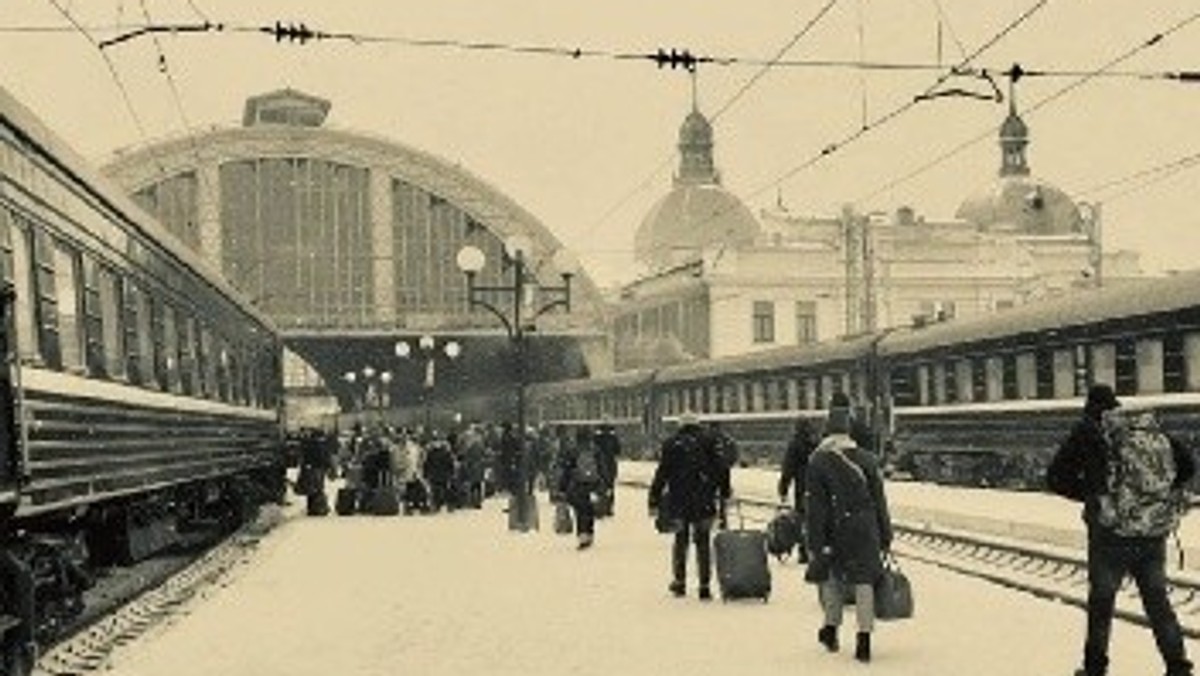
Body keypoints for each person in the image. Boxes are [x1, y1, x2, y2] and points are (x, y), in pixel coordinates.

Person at [1047, 385, 1195, 676]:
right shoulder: (1145, 429)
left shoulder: (1088, 431)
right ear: (1116, 406)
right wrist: (1154, 497)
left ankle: (1095, 669)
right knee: (1157, 601)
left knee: (1102, 603)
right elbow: (1187, 467)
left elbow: (1056, 478)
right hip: (1151, 533)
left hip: (1109, 535)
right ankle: (1178, 666)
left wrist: (1095, 497)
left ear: (1089, 408)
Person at [805, 399, 892, 663]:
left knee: (833, 579)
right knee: (864, 581)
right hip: (865, 528)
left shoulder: (818, 461)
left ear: (827, 432)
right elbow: (879, 500)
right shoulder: (867, 459)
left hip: (836, 528)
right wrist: (885, 534)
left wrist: (815, 541)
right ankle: (864, 640)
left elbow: (816, 506)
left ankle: (831, 630)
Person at [648, 412, 730, 601]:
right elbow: (722, 468)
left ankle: (679, 582)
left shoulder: (672, 444)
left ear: (681, 425)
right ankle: (704, 586)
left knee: (680, 540)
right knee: (703, 542)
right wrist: (724, 492)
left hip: (680, 501)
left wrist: (654, 497)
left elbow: (662, 473)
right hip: (704, 500)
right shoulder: (710, 442)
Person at [557, 426, 600, 549]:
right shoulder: (595, 450)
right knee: (589, 509)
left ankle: (582, 535)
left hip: (577, 484)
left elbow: (567, 470)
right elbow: (602, 468)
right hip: (593, 484)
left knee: (580, 510)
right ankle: (590, 533)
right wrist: (604, 484)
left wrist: (562, 487)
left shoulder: (573, 451)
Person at [594, 422, 622, 517]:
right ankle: (609, 508)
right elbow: (618, 451)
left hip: (599, 465)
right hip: (611, 465)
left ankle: (600, 506)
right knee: (610, 486)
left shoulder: (596, 438)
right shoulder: (613, 438)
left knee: (599, 486)